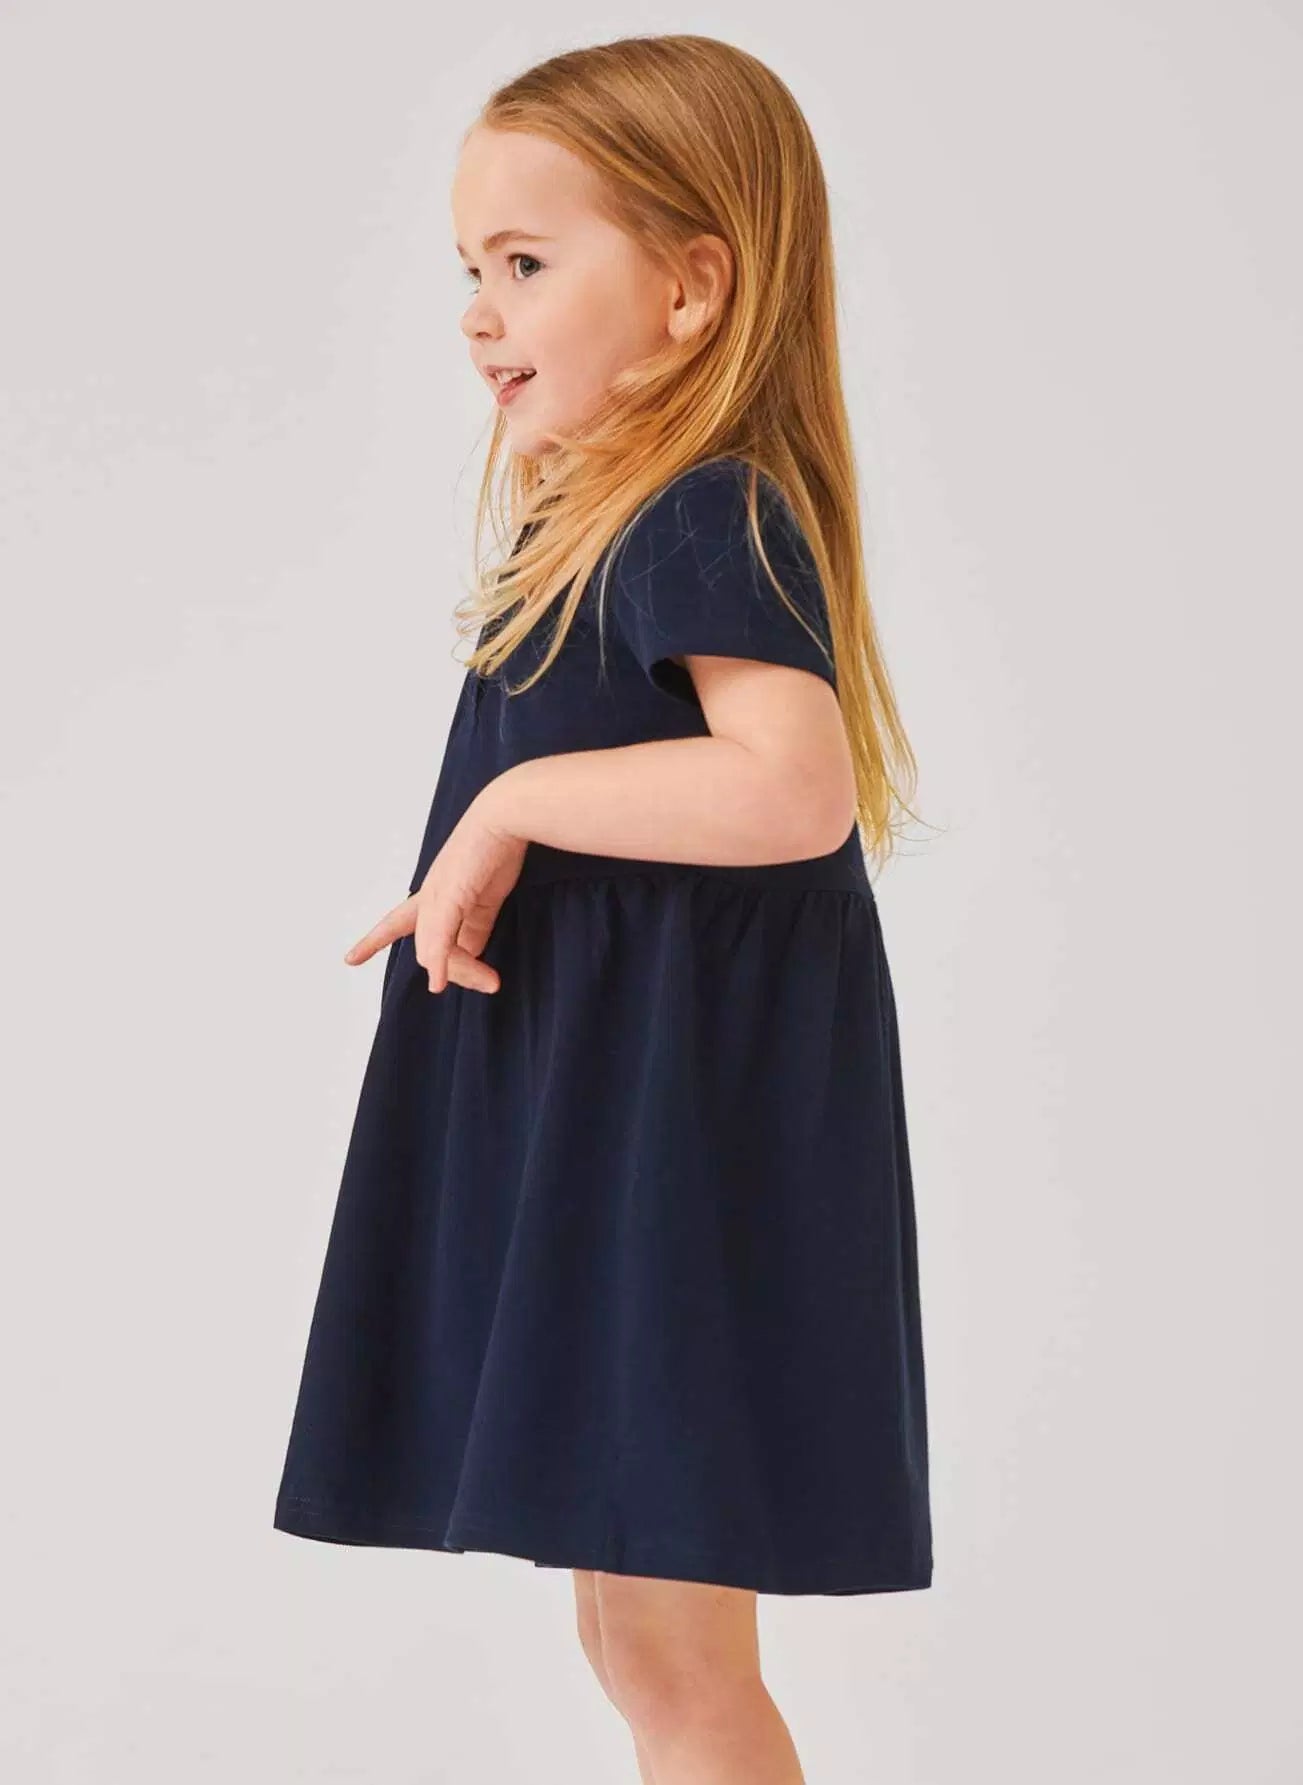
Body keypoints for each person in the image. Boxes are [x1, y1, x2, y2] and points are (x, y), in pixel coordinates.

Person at [273, 32, 933, 1784]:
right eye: (469, 271)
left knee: (669, 1648)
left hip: (672, 1150)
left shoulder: (702, 513)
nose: (478, 314)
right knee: (639, 1637)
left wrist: (509, 805)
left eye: (525, 263)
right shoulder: (611, 519)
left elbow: (791, 788)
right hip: (619, 1132)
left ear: (693, 289)